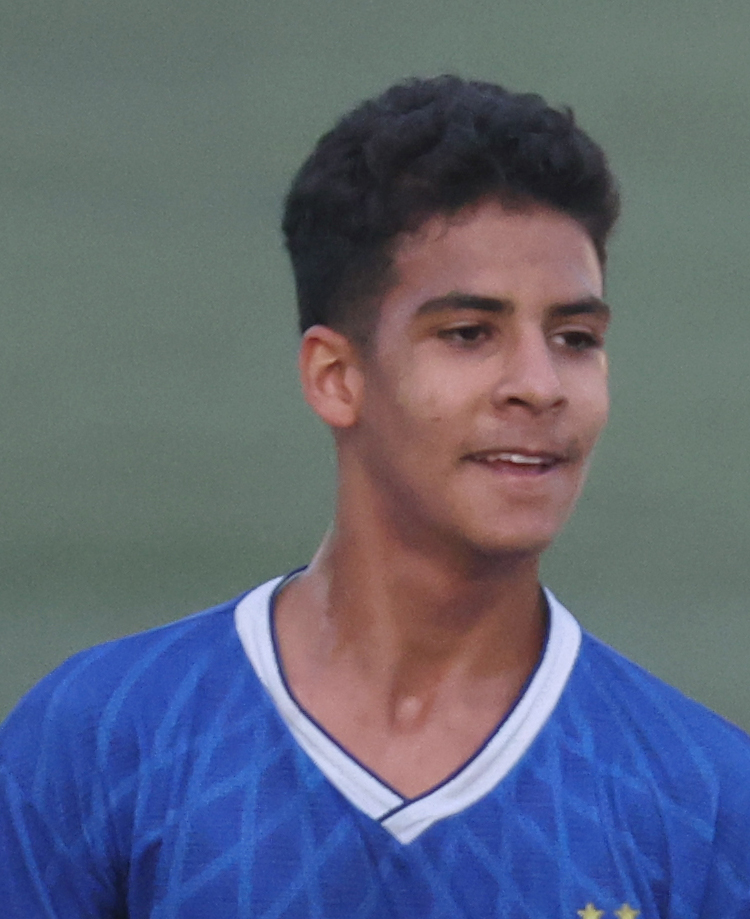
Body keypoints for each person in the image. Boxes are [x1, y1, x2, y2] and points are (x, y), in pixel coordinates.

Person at [1, 75, 748, 919]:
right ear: (336, 375)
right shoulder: (99, 746)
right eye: (469, 333)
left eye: (575, 338)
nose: (540, 385)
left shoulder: (707, 803)